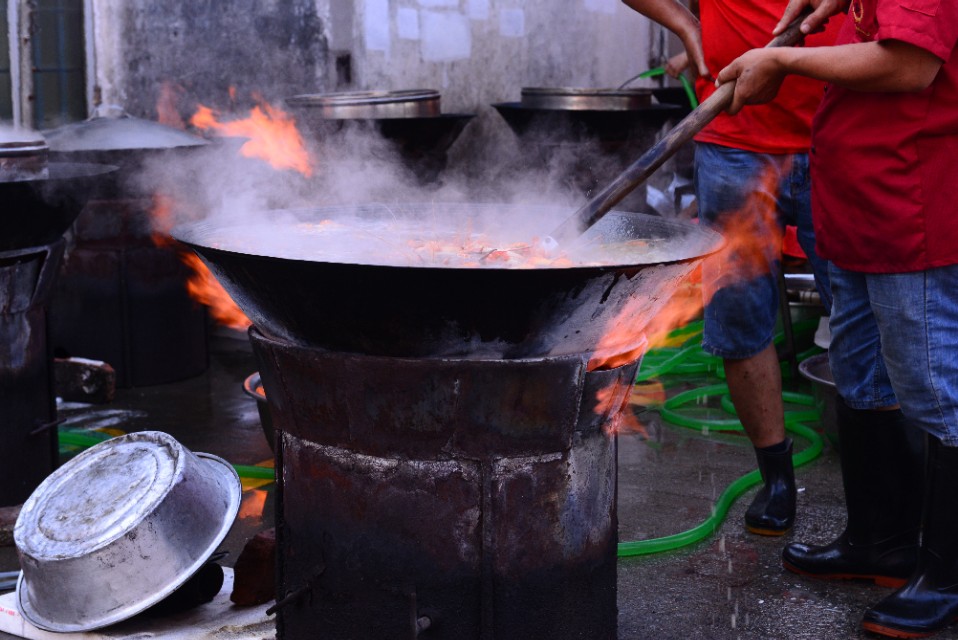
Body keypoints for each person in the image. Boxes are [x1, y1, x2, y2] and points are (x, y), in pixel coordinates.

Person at [717, 0, 958, 636]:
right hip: (856, 203)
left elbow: (911, 64)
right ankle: (879, 542)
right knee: (863, 378)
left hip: (912, 210)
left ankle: (948, 573)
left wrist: (782, 58)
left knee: (937, 393)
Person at [621, 0, 840, 536]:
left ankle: (887, 502)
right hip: (733, 135)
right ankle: (777, 478)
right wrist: (684, 23)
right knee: (740, 319)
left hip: (843, 133)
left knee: (868, 315)